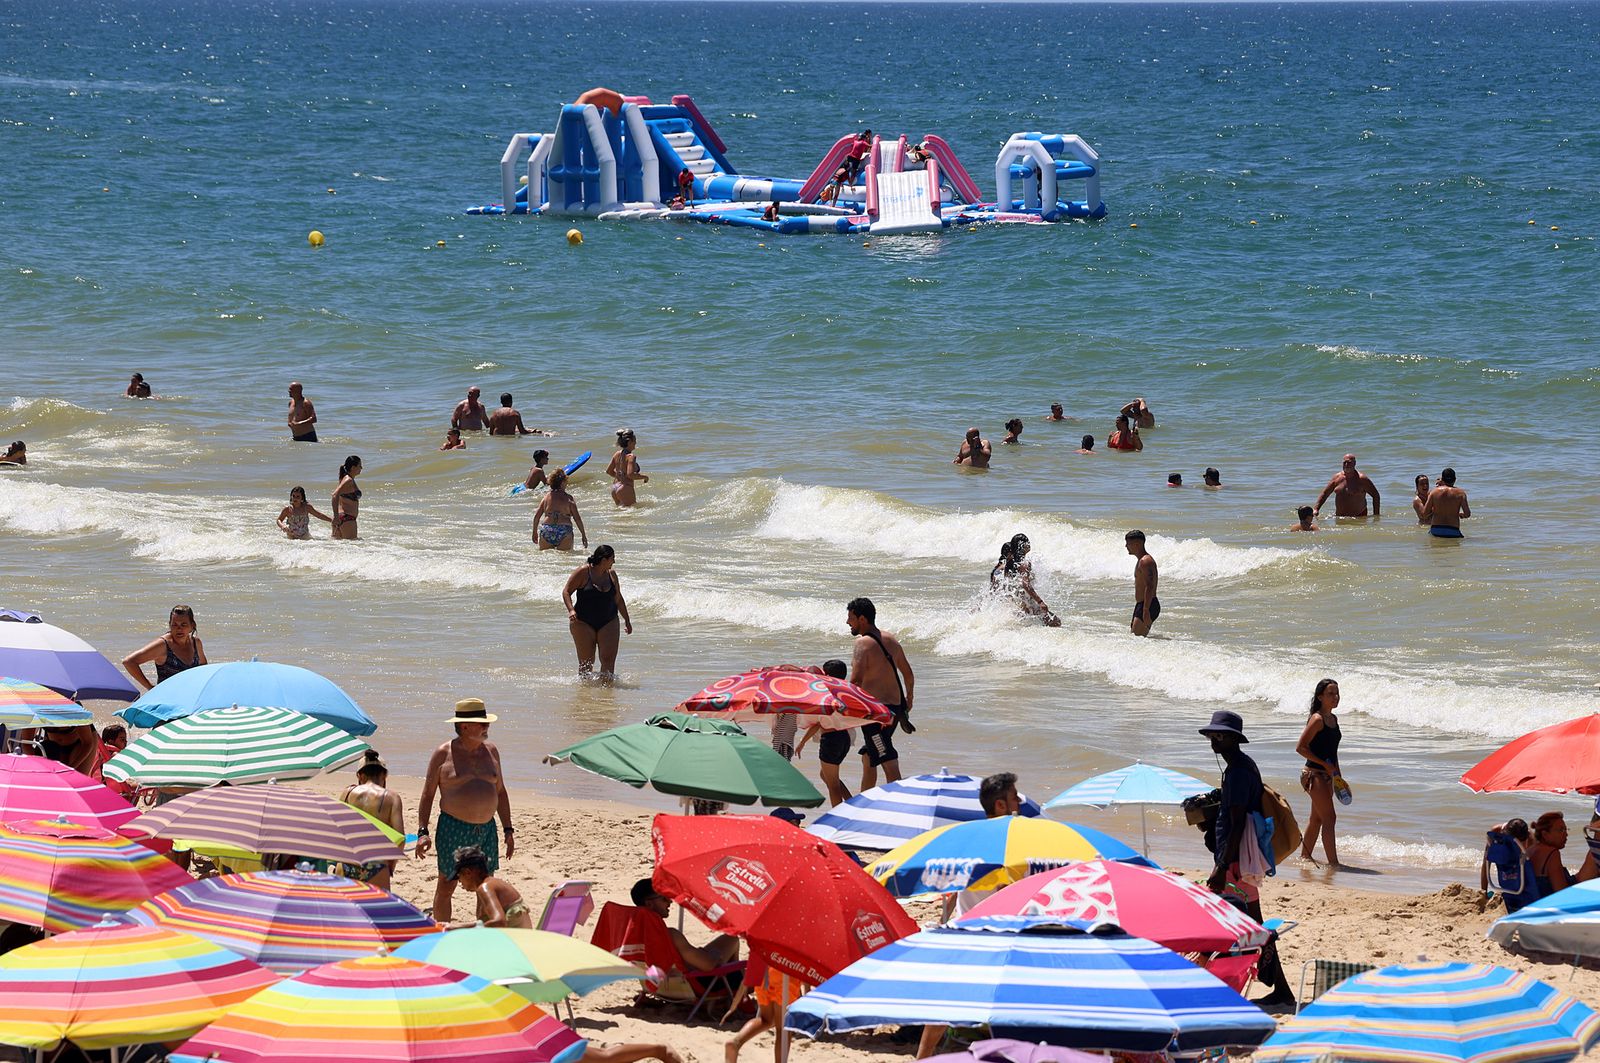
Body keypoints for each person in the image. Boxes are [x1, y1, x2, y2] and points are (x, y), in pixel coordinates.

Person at [1199, 710, 1295, 1008]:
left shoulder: (1239, 771)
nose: (1214, 740)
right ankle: (1280, 990)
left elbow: (1238, 822)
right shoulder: (1241, 766)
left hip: (1236, 862)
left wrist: (1221, 866)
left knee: (1236, 923)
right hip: (1240, 859)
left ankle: (1264, 989)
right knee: (1253, 924)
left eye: (1220, 735)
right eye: (1212, 735)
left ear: (1234, 739)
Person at [415, 698, 515, 922]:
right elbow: (428, 794)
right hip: (454, 828)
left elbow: (500, 792)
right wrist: (422, 832)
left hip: (486, 829)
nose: (487, 726)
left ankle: (482, 930)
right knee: (446, 884)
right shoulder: (443, 753)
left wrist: (508, 829)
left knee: (485, 884)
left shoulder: (492, 751)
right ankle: (442, 931)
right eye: (482, 723)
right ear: (464, 726)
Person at [847, 597, 914, 791]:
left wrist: (844, 709)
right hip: (895, 710)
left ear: (862, 619)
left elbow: (856, 681)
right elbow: (908, 674)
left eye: (851, 618)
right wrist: (909, 699)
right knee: (869, 756)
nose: (847, 622)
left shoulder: (862, 644)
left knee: (886, 757)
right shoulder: (891, 639)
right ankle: (864, 801)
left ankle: (900, 801)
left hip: (875, 715)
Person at [631, 878, 740, 972]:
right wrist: (716, 956)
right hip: (694, 984)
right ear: (649, 904)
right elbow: (708, 966)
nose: (670, 901)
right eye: (664, 898)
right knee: (732, 939)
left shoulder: (634, 936)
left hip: (659, 984)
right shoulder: (670, 935)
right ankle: (737, 982)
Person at [563, 545, 632, 677]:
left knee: (608, 661)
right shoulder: (584, 572)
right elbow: (566, 591)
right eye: (612, 558)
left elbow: (618, 599)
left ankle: (607, 689)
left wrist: (627, 620)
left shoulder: (612, 575)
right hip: (583, 622)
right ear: (604, 559)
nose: (614, 561)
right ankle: (585, 690)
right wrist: (571, 610)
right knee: (586, 663)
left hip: (609, 621)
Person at [339, 750, 405, 889]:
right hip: (376, 862)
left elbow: (337, 828)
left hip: (348, 861)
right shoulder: (392, 798)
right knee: (376, 903)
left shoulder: (347, 793)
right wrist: (391, 865)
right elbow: (400, 839)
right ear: (384, 775)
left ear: (360, 775)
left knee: (347, 902)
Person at [1296, 679, 1343, 868]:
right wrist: (1325, 765)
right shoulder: (1317, 719)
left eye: (1337, 693)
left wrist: (1337, 774)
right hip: (1313, 775)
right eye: (1330, 693)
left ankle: (1305, 857)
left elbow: (1332, 751)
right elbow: (1300, 748)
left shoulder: (1333, 719)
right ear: (1320, 697)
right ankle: (1334, 864)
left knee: (1316, 819)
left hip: (1328, 776)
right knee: (1330, 818)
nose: (1335, 697)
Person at [794, 659, 853, 806]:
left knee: (833, 784)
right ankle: (852, 804)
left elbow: (818, 723)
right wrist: (802, 742)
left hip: (831, 740)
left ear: (827, 676)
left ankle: (838, 814)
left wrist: (802, 742)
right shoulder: (845, 693)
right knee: (826, 776)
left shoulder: (826, 696)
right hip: (844, 738)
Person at [122, 605, 207, 692]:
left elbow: (204, 667)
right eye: (174, 625)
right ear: (170, 625)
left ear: (192, 625)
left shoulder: (196, 643)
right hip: (167, 697)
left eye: (183, 624)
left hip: (190, 695)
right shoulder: (163, 645)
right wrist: (150, 687)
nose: (179, 629)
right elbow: (129, 662)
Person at [450, 845, 531, 929]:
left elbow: (499, 922)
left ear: (468, 872)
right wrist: (457, 927)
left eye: (459, 876)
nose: (459, 881)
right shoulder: (493, 883)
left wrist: (466, 930)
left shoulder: (485, 888)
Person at [989, 533, 1059, 626]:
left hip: (1017, 601)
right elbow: (1025, 584)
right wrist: (1040, 602)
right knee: (1056, 622)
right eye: (1027, 542)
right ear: (1022, 545)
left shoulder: (1009, 563)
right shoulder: (1024, 563)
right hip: (1027, 600)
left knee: (1026, 624)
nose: (1029, 544)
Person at [1480, 817, 1535, 912]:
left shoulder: (1529, 838)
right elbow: (1486, 863)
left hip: (1518, 867)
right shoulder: (1496, 832)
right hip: (1504, 860)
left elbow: (1531, 868)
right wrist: (1483, 892)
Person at [532, 468, 587, 551]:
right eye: (566, 482)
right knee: (565, 557)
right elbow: (577, 518)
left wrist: (534, 532)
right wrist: (583, 535)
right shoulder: (568, 498)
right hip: (564, 530)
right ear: (562, 483)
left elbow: (536, 516)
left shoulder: (546, 497)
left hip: (547, 529)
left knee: (545, 557)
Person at [1313, 453, 1380, 518]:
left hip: (1359, 517)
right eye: (1344, 462)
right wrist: (1316, 509)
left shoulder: (1362, 479)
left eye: (1349, 462)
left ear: (1354, 463)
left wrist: (1376, 515)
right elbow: (1325, 494)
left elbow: (1375, 495)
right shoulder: (1336, 478)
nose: (1346, 465)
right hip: (1340, 517)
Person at [1528, 811, 1574, 896]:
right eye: (1561, 830)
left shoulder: (1530, 850)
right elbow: (1561, 893)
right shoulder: (1552, 853)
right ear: (1545, 834)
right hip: (1549, 901)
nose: (1566, 834)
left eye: (1566, 829)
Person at [1126, 530, 1159, 636]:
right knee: (1136, 639)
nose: (1126, 546)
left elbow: (1150, 586)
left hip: (1148, 605)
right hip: (1142, 604)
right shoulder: (1141, 560)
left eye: (1128, 543)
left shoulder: (1145, 561)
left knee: (1136, 638)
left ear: (1137, 544)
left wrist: (1146, 610)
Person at [1422, 466, 1470, 538]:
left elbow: (1425, 514)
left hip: (1436, 529)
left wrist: (1436, 510)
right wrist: (1461, 515)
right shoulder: (1461, 493)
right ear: (1455, 479)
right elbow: (1467, 514)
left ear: (1442, 479)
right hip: (1453, 530)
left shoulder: (1434, 492)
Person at [607, 429, 648, 507]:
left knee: (621, 511)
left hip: (615, 487)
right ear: (629, 442)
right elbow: (630, 474)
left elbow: (609, 471)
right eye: (634, 441)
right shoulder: (631, 456)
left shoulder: (617, 454)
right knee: (632, 512)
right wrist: (645, 477)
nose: (636, 443)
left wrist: (620, 477)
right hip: (625, 488)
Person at [332, 455, 362, 540]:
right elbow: (335, 495)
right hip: (347, 519)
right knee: (352, 546)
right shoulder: (348, 480)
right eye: (359, 465)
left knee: (338, 546)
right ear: (353, 467)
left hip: (342, 518)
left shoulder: (346, 478)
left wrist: (336, 517)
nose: (361, 468)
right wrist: (336, 516)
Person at [100, 724, 131, 796]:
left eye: (126, 740)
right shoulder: (116, 755)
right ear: (110, 741)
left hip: (103, 788)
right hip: (117, 792)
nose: (126, 742)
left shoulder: (100, 753)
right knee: (137, 786)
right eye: (122, 739)